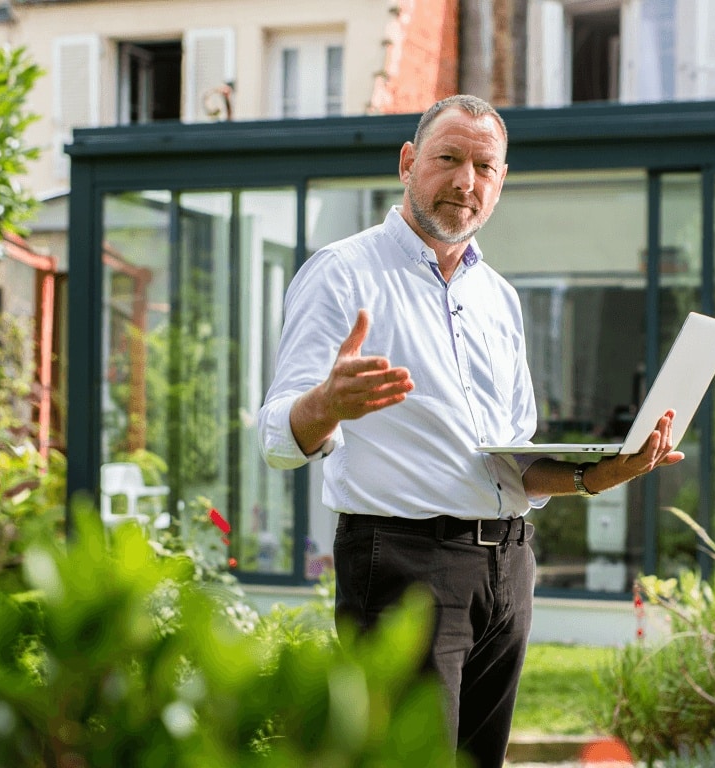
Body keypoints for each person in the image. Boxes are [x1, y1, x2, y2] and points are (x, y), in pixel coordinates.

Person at [256, 94, 682, 768]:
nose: (465, 181)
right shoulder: (343, 273)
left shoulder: (498, 297)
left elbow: (509, 462)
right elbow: (277, 436)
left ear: (501, 180)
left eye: (484, 166)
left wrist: (599, 474)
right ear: (407, 163)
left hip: (508, 568)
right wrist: (328, 402)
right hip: (402, 566)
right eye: (448, 159)